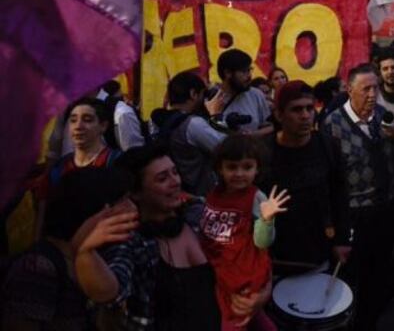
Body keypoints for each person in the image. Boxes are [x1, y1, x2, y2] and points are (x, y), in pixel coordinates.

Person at [75, 145, 270, 330]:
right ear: (136, 192)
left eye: (175, 172)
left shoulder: (201, 216)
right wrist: (86, 253)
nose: (175, 181)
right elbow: (110, 292)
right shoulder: (132, 241)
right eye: (162, 178)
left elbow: (252, 258)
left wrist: (262, 294)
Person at [321, 64, 394, 331]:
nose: (371, 94)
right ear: (349, 89)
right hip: (354, 217)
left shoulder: (383, 116)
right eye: (365, 88)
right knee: (353, 282)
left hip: (386, 213)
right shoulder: (332, 127)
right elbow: (328, 183)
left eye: (375, 88)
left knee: (381, 279)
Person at [2, 167, 129, 330]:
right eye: (121, 203)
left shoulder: (96, 258)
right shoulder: (38, 267)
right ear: (95, 211)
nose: (131, 210)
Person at [259, 81, 349, 275]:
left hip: (320, 253)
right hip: (277, 258)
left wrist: (341, 239)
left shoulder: (327, 146)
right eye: (296, 109)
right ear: (279, 115)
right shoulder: (262, 153)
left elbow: (339, 194)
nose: (305, 115)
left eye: (309, 108)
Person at [202, 135, 288, 331]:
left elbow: (262, 242)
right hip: (221, 274)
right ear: (220, 169)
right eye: (232, 167)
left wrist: (266, 220)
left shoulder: (257, 198)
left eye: (247, 167)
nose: (239, 173)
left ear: (257, 169)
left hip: (242, 278)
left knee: (235, 322)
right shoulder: (215, 194)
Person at [36, 99, 121, 236]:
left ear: (103, 126)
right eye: (73, 120)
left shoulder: (116, 163)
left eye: (87, 120)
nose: (78, 126)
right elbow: (43, 215)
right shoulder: (59, 168)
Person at [163, 71, 227, 196]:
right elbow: (224, 147)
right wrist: (216, 116)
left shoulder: (161, 119)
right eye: (203, 94)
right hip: (199, 192)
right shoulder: (193, 124)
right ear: (193, 94)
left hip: (179, 189)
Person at [210, 49, 272, 134]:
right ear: (228, 73)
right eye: (244, 71)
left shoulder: (256, 95)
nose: (249, 75)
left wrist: (252, 135)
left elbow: (269, 126)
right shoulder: (211, 100)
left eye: (250, 70)